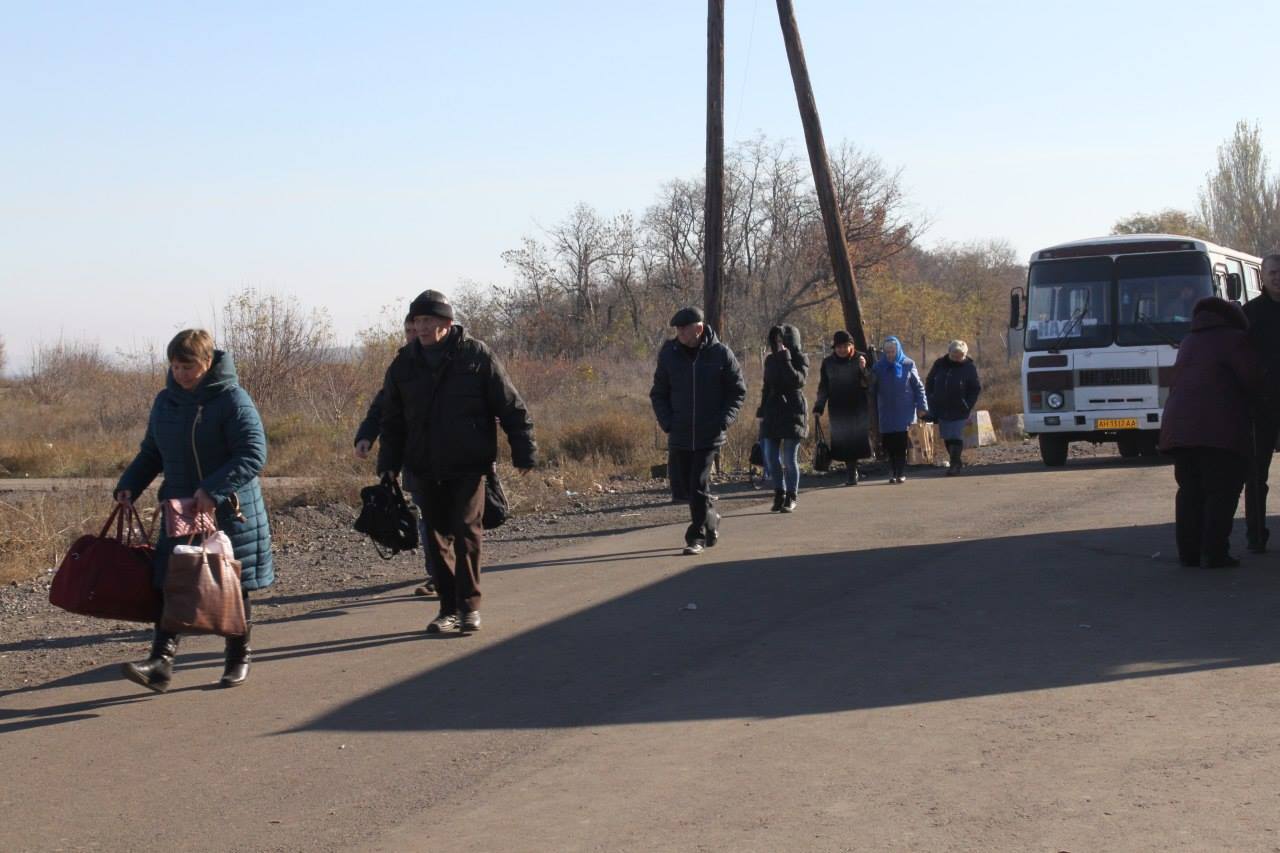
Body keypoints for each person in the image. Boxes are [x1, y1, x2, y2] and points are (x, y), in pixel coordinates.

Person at [115, 329, 273, 691]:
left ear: (207, 363)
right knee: (174, 582)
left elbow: (253, 453)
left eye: (188, 366)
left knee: (230, 584)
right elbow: (152, 452)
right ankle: (160, 663)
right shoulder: (166, 402)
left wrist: (213, 489)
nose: (181, 374)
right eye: (175, 366)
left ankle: (237, 657)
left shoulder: (233, 399)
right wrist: (129, 485)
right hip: (180, 507)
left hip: (230, 509)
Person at [377, 290, 536, 633]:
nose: (421, 327)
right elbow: (391, 420)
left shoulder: (476, 356)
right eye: (417, 321)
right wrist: (387, 464)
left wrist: (524, 450)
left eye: (429, 321)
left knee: (466, 534)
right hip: (422, 465)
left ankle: (468, 608)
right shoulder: (404, 363)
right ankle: (447, 608)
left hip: (468, 464)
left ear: (447, 324)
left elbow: (510, 405)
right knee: (435, 541)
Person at [1158, 297, 1260, 568]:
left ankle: (1189, 554)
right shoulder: (1234, 339)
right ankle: (1214, 553)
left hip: (1179, 427)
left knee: (1190, 490)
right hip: (1219, 429)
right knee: (1222, 491)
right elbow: (1252, 379)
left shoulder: (1190, 340)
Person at [649, 306, 747, 555]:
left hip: (709, 432)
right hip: (680, 432)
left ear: (699, 328)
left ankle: (696, 536)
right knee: (683, 488)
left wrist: (724, 419)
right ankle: (711, 517)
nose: (679, 332)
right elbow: (658, 393)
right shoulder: (669, 355)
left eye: (684, 328)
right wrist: (667, 421)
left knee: (698, 483)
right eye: (677, 329)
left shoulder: (721, 354)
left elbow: (737, 391)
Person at [354, 314, 435, 597]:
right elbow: (383, 408)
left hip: (454, 460)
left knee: (455, 520)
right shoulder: (402, 366)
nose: (414, 335)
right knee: (428, 517)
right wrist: (366, 436)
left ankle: (457, 579)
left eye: (418, 329)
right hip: (416, 458)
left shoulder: (453, 361)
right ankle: (439, 576)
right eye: (409, 330)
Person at [1243, 253, 1280, 553]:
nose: (1277, 277)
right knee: (1256, 476)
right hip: (1261, 406)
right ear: (1262, 276)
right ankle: (1256, 535)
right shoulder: (1249, 314)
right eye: (1273, 272)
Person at [756, 324, 809, 512]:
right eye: (776, 341)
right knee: (771, 457)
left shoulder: (800, 358)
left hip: (793, 410)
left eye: (783, 341)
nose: (779, 344)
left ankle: (791, 496)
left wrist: (785, 359)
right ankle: (779, 493)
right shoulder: (770, 360)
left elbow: (797, 381)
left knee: (789, 458)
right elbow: (766, 386)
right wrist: (761, 411)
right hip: (772, 411)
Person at [813, 330, 871, 485]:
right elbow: (823, 386)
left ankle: (853, 470)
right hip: (838, 407)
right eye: (839, 347)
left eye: (845, 346)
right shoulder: (828, 363)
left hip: (857, 406)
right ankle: (851, 471)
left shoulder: (861, 358)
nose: (842, 349)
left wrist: (863, 369)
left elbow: (870, 383)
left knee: (856, 440)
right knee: (843, 440)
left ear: (851, 346)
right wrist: (819, 406)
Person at [871, 335, 928, 484]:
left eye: (893, 351)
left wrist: (922, 406)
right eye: (887, 351)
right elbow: (871, 388)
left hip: (905, 411)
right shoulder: (878, 367)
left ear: (898, 350)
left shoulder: (908, 364)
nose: (890, 354)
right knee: (889, 444)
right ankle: (891, 471)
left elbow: (918, 387)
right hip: (886, 411)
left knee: (902, 444)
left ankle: (900, 472)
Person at [925, 340, 982, 476]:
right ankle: (955, 460)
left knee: (956, 436)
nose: (957, 357)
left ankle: (955, 464)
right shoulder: (940, 364)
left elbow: (975, 388)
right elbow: (930, 381)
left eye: (960, 354)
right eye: (954, 353)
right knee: (947, 437)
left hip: (960, 408)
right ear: (949, 352)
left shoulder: (969, 367)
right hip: (941, 406)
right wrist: (931, 397)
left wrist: (967, 404)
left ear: (965, 354)